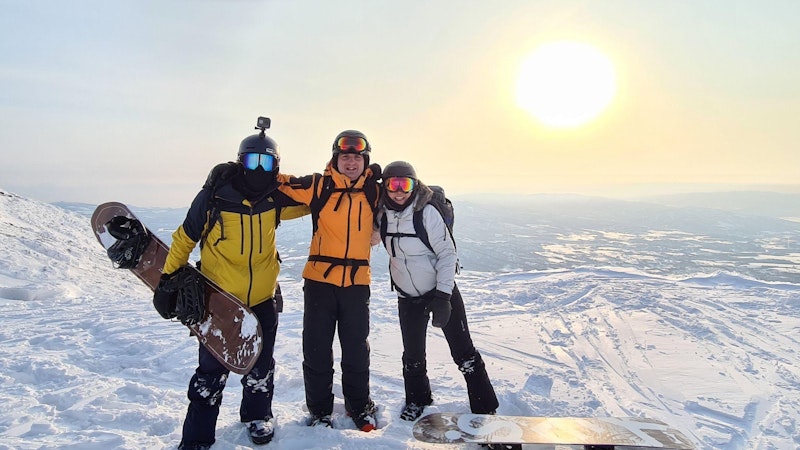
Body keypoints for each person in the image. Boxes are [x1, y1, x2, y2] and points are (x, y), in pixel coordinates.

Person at [153, 121, 310, 450]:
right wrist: (167, 279)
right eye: (252, 161)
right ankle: (197, 438)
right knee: (211, 372)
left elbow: (313, 202)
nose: (258, 168)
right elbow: (185, 237)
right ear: (240, 162)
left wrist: (345, 189)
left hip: (264, 298)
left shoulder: (275, 199)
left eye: (266, 162)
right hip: (219, 300)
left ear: (276, 167)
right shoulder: (215, 196)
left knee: (261, 363)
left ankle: (257, 416)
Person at [374, 161, 521, 450]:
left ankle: (485, 408)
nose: (400, 191)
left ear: (416, 185)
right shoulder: (382, 214)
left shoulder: (426, 212)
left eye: (406, 184)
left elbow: (446, 253)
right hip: (407, 295)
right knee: (412, 354)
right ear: (385, 187)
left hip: (440, 292)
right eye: (393, 184)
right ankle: (418, 398)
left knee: (464, 352)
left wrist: (443, 297)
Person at [277, 130, 382, 431]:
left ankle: (359, 406)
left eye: (357, 157)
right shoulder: (318, 185)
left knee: (356, 350)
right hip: (319, 283)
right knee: (317, 348)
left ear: (365, 161)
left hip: (357, 283)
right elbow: (280, 181)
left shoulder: (375, 191)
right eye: (345, 156)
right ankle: (320, 411)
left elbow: (407, 194)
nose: (351, 162)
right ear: (336, 159)